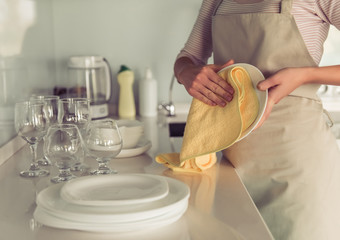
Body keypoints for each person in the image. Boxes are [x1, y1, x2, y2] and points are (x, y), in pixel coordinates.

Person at [173, 0, 340, 239]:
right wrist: (186, 73)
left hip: (299, 168)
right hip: (233, 168)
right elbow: (188, 57)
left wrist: (306, 74)